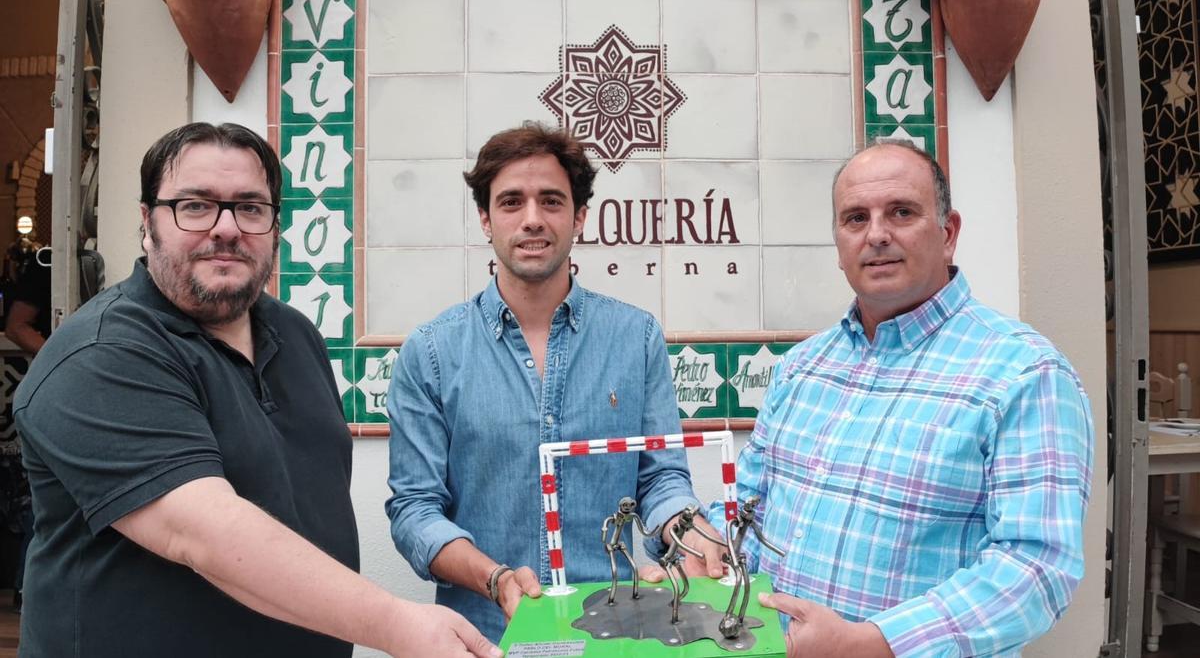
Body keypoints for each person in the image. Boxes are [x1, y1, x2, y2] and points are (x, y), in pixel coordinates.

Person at [12, 122, 497, 658]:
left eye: (250, 207)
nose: (226, 228)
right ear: (147, 223)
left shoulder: (295, 334)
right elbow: (204, 534)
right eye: (195, 205)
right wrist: (399, 624)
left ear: (275, 227)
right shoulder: (100, 354)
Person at [719, 141, 1094, 657]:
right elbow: (750, 506)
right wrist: (708, 547)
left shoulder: (1024, 374)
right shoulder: (799, 368)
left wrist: (876, 644)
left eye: (901, 212)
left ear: (948, 234)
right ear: (838, 244)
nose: (876, 234)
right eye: (855, 218)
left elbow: (1035, 568)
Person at [386, 123, 725, 642]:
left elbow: (660, 479)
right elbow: (414, 510)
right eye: (510, 202)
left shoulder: (636, 338)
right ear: (485, 218)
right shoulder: (431, 352)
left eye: (550, 201)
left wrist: (688, 535)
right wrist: (495, 578)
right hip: (485, 635)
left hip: (615, 635)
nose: (532, 220)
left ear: (579, 215)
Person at [2, 251, 48, 613]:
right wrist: (64, 354)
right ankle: (27, 587)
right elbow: (16, 325)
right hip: (52, 388)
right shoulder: (45, 261)